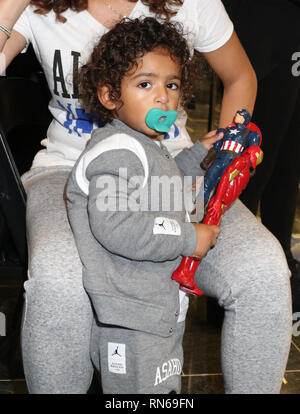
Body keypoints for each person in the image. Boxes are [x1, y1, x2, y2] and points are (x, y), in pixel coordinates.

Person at [0, 0, 291, 394]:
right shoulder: (36, 7)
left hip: (172, 168)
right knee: (60, 281)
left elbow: (241, 76)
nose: (164, 95)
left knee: (263, 272)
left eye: (170, 85)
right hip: (67, 169)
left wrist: (222, 162)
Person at [67, 17, 220, 393]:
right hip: (132, 315)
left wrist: (197, 155)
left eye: (171, 85)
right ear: (109, 96)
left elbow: (160, 184)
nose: (163, 97)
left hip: (153, 309)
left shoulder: (142, 145)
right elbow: (116, 225)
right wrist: (187, 237)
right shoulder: (117, 151)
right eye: (145, 84)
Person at [222, 0, 300, 308]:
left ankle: (280, 268)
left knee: (287, 162)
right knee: (252, 164)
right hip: (260, 24)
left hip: (287, 27)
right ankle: (232, 277)